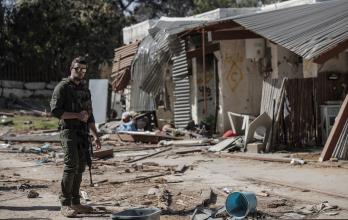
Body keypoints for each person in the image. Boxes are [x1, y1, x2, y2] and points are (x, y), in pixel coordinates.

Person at [50, 56, 101, 217]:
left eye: (83, 69)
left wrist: (96, 135)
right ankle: (65, 204)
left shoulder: (85, 90)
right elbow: (55, 111)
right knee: (71, 165)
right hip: (68, 131)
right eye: (77, 68)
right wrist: (76, 116)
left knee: (80, 167)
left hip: (83, 132)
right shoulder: (62, 87)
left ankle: (76, 202)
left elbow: (89, 115)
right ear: (71, 68)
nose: (80, 71)